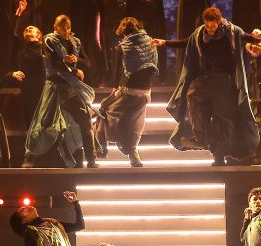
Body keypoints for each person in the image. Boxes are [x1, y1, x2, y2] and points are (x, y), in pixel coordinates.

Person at [168, 7, 261, 166]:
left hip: (224, 80)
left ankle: (219, 155)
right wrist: (164, 42)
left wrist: (257, 37)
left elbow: (249, 38)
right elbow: (185, 42)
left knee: (221, 119)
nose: (209, 29)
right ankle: (199, 136)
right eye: (207, 25)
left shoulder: (231, 31)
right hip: (207, 78)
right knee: (192, 95)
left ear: (218, 22)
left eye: (212, 26)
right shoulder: (200, 33)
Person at [23, 15, 98, 169]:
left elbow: (88, 63)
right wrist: (75, 70)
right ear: (55, 27)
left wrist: (76, 60)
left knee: (85, 121)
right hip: (55, 87)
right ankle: (29, 157)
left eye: (68, 27)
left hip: (71, 88)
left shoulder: (75, 42)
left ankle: (91, 159)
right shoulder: (49, 40)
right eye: (62, 27)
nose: (65, 30)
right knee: (42, 123)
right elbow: (55, 63)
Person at [96, 17, 158, 167]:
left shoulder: (123, 47)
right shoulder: (151, 42)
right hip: (146, 92)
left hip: (129, 90)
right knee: (134, 123)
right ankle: (132, 154)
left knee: (103, 108)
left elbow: (118, 72)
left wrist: (115, 90)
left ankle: (101, 148)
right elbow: (155, 65)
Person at [66, 0, 110, 86]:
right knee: (80, 39)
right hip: (79, 7)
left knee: (94, 41)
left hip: (93, 6)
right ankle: (82, 74)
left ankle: (98, 76)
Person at [17, 25, 46, 128]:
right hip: (28, 91)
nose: (28, 29)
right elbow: (13, 33)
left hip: (42, 89)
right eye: (26, 29)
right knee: (30, 122)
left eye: (31, 29)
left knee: (43, 121)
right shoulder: (23, 48)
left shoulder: (44, 47)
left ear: (38, 35)